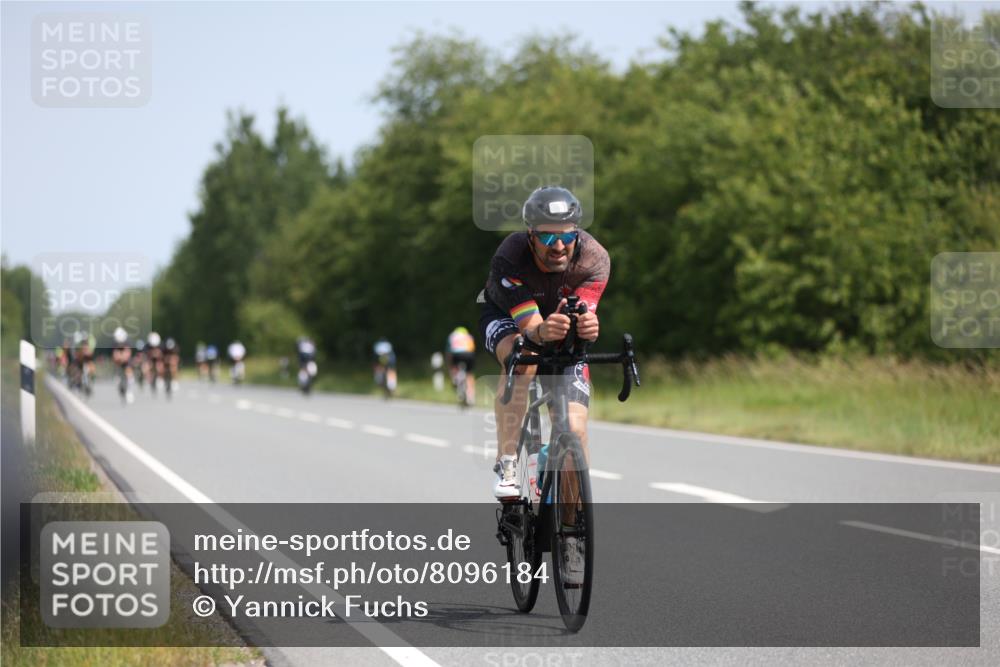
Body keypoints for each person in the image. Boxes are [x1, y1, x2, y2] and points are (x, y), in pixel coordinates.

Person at [478, 186, 609, 500]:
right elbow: (532, 328)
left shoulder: (595, 259)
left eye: (567, 237)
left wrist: (588, 326)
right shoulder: (510, 256)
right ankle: (507, 464)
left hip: (558, 318)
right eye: (548, 238)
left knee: (575, 430)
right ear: (530, 235)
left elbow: (582, 321)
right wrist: (541, 332)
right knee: (524, 359)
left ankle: (574, 529)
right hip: (507, 315)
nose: (559, 246)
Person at [445, 326, 476, 404]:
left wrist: (449, 366)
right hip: (469, 355)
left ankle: (455, 379)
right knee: (469, 374)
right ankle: (471, 395)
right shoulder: (469, 336)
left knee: (454, 367)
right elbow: (473, 349)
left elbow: (448, 352)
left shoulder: (452, 336)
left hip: (456, 354)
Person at [111, 326, 135, 403]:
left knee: (129, 373)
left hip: (127, 360)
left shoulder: (128, 341)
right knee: (118, 377)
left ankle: (129, 391)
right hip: (118, 361)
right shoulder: (114, 343)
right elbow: (114, 355)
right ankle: (119, 381)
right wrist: (118, 359)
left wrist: (123, 358)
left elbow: (128, 353)